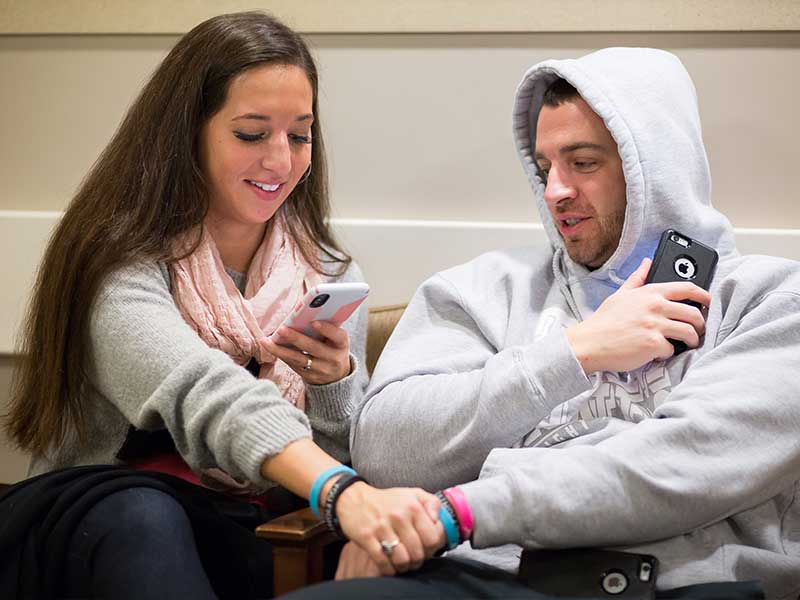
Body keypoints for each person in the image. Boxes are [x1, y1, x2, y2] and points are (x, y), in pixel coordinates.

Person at [287, 48, 800, 599]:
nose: (555, 190)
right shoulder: (480, 290)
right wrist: (575, 352)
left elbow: (686, 466)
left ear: (656, 168)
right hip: (482, 577)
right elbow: (386, 451)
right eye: (544, 168)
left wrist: (464, 508)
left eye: (583, 162)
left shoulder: (771, 301)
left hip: (676, 586)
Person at [0, 11, 442, 600]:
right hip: (97, 516)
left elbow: (340, 455)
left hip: (252, 526)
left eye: (300, 134)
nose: (281, 161)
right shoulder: (117, 264)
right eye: (251, 134)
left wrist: (335, 383)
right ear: (187, 132)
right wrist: (341, 491)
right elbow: (202, 393)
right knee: (147, 517)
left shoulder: (329, 272)